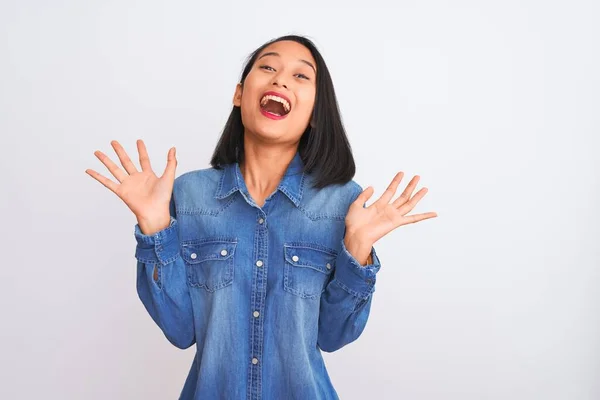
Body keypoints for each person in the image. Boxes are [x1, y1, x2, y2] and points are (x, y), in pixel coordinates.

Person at [85, 34, 437, 400]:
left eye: (300, 76)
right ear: (239, 94)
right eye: (267, 67)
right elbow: (179, 330)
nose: (280, 79)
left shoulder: (344, 204)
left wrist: (358, 248)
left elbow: (333, 337)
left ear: (316, 113)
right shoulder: (188, 195)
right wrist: (155, 226)